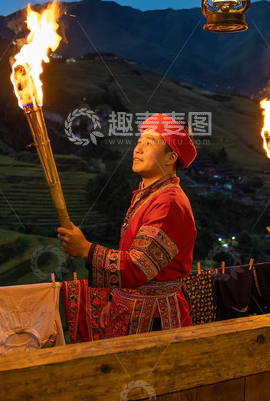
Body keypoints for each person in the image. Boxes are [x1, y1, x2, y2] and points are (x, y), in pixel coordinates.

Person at [57, 113, 197, 337]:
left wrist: (85, 249)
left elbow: (140, 266)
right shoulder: (147, 196)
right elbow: (131, 254)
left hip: (154, 318)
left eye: (149, 143)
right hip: (130, 307)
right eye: (139, 142)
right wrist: (115, 298)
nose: (138, 149)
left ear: (171, 158)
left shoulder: (169, 203)